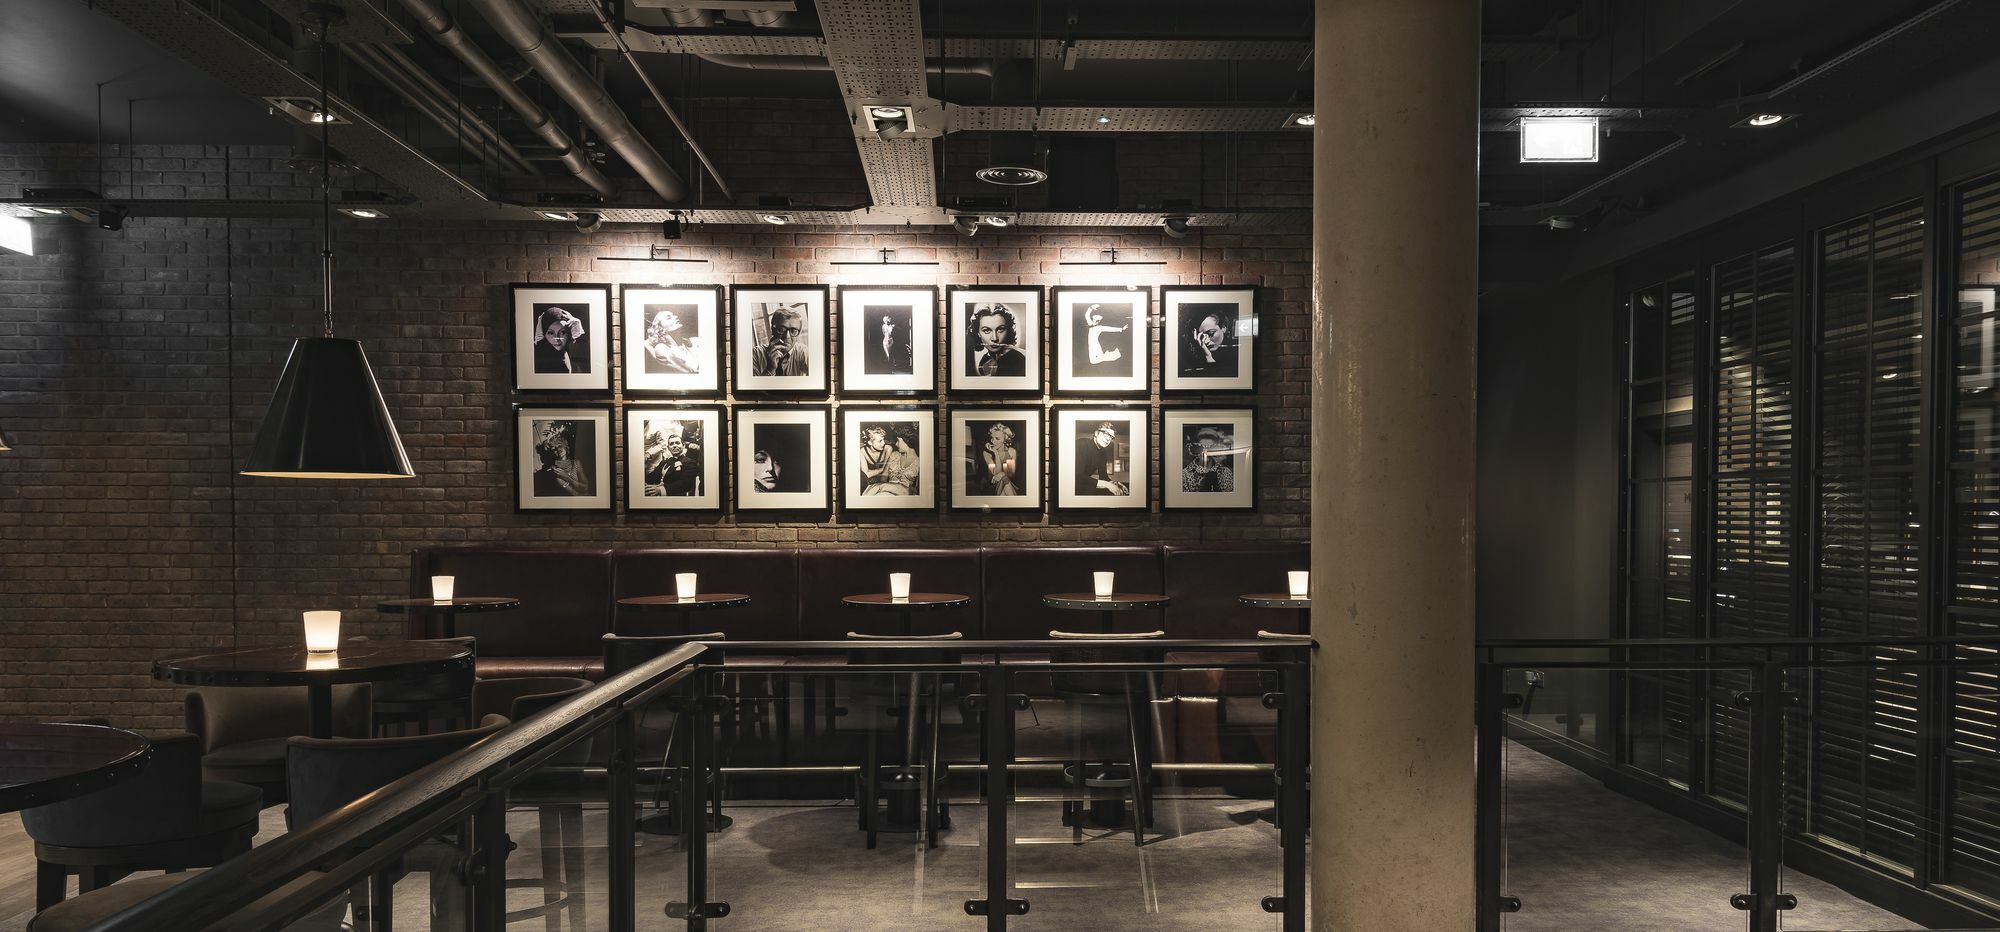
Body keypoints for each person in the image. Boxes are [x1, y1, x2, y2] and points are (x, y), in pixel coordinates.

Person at [533, 420, 591, 497]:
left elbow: (586, 487)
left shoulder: (576, 463)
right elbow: (575, 494)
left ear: (565, 446)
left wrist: (566, 477)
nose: (558, 449)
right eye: (554, 449)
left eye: (560, 446)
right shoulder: (556, 472)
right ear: (552, 453)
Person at [967, 304, 1027, 378]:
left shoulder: (1019, 361)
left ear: (1008, 330)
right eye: (986, 330)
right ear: (978, 333)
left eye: (1000, 329)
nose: (994, 338)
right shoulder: (985, 360)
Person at [644, 420, 701, 497]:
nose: (674, 445)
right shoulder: (664, 462)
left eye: (677, 443)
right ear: (668, 448)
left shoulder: (690, 463)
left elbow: (685, 484)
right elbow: (651, 478)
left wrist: (660, 490)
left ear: (683, 446)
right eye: (671, 444)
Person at [752, 305, 810, 377]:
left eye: (793, 331)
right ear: (772, 330)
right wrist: (770, 370)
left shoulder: (803, 352)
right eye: (781, 329)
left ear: (798, 333)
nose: (787, 337)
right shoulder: (755, 354)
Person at [1181, 307, 1238, 378]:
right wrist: (1207, 355)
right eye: (1201, 336)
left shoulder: (1236, 353)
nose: (1206, 341)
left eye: (1211, 333)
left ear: (1224, 327)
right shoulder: (1192, 358)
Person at [643, 307, 702, 375]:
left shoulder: (694, 340)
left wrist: (690, 346)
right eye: (668, 318)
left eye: (674, 315)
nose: (676, 317)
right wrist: (672, 344)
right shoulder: (661, 349)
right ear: (660, 328)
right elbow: (694, 369)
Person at [1075, 421, 1128, 496]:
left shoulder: (1103, 453)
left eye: (1111, 437)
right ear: (1096, 433)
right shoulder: (1081, 444)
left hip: (1083, 487)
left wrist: (1115, 483)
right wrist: (1108, 485)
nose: (1108, 439)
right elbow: (1077, 476)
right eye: (1106, 434)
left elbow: (1104, 477)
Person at [533, 306, 591, 374]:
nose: (557, 338)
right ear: (544, 333)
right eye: (551, 333)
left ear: (569, 332)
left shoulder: (562, 353)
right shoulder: (540, 360)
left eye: (563, 332)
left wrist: (576, 321)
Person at [1182, 426, 1235, 493]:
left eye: (1210, 449)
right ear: (1196, 448)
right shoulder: (1185, 474)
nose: (1205, 453)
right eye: (1201, 448)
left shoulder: (1225, 472)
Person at [978, 422, 1020, 496]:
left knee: (1005, 479)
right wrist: (996, 453)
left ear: (1005, 439)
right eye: (992, 438)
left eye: (997, 438)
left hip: (1005, 483)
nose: (993, 441)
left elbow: (1010, 473)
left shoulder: (1011, 451)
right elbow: (995, 474)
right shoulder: (986, 453)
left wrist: (1002, 474)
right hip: (991, 484)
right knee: (1004, 479)